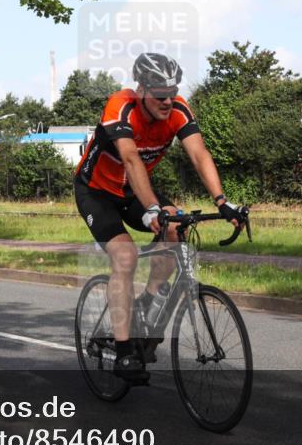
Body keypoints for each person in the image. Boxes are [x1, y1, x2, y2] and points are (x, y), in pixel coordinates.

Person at [74, 52, 244, 384]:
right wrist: (153, 208)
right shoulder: (120, 106)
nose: (168, 101)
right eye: (159, 95)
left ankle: (148, 303)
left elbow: (198, 153)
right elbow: (130, 159)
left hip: (134, 192)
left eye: (172, 92)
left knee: (176, 230)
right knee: (125, 256)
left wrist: (223, 202)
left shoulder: (178, 109)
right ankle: (124, 352)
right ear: (140, 90)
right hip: (97, 192)